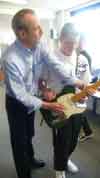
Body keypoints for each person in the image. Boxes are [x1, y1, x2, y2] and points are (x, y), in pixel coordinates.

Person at [2, 9, 86, 178]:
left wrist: (79, 82)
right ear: (22, 33)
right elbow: (21, 96)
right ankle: (23, 173)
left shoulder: (40, 44)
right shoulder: (10, 59)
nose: (41, 31)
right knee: (19, 140)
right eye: (37, 28)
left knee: (30, 134)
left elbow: (55, 65)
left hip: (33, 97)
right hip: (17, 103)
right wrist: (48, 104)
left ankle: (31, 159)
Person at [39, 23, 93, 178]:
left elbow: (86, 83)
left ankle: (65, 159)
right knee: (62, 139)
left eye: (74, 43)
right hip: (58, 105)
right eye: (68, 42)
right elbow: (40, 81)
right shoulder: (50, 58)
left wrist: (86, 91)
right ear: (60, 39)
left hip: (78, 106)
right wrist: (45, 90)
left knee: (73, 139)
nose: (72, 47)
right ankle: (59, 168)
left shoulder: (81, 60)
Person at [76, 35, 93, 142]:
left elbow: (86, 77)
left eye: (81, 41)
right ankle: (87, 131)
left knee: (79, 112)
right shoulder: (76, 54)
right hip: (78, 89)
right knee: (78, 112)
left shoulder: (84, 56)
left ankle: (87, 131)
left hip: (81, 89)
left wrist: (83, 92)